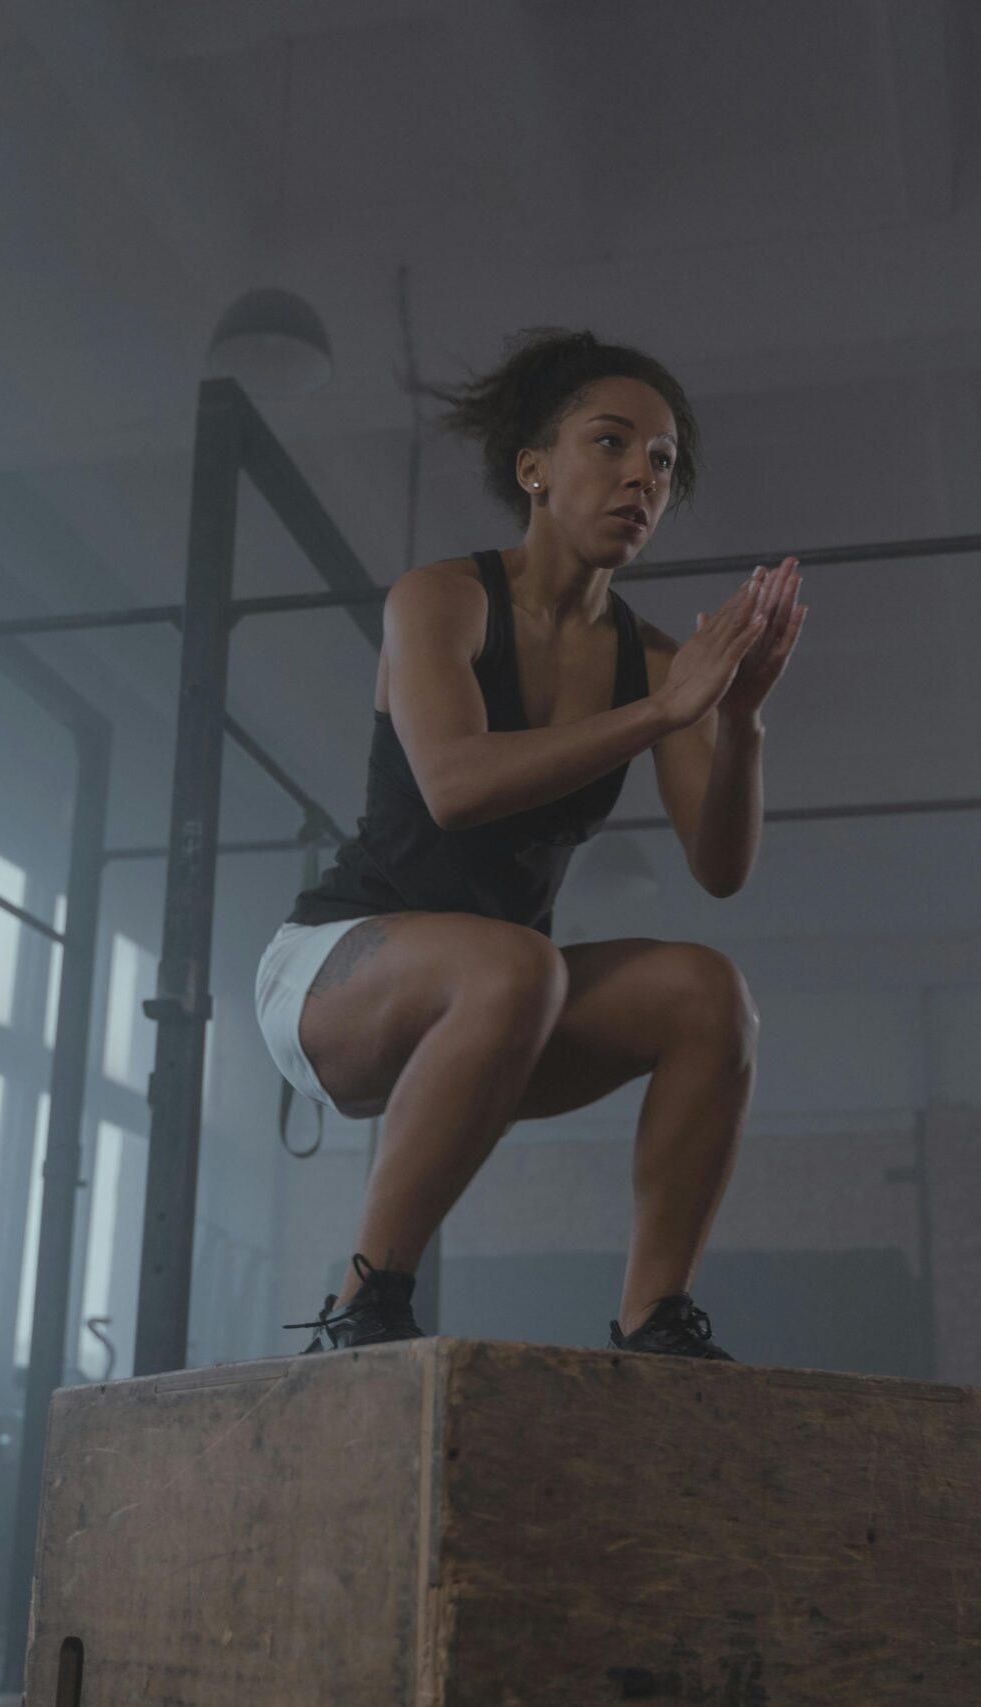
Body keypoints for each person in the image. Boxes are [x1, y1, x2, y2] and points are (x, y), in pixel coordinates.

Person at [255, 327, 806, 1360]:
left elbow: (720, 870)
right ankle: (363, 1303)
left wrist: (736, 721)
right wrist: (661, 712)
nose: (640, 475)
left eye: (661, 461)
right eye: (610, 443)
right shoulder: (441, 599)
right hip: (337, 976)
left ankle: (654, 1321)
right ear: (534, 469)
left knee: (708, 991)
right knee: (516, 963)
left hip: (504, 1004)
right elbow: (455, 788)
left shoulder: (650, 659)